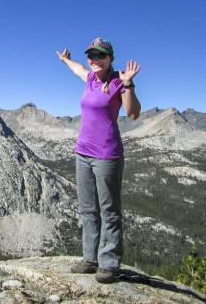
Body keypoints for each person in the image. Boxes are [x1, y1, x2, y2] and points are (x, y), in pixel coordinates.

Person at [57, 37, 141, 283]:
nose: (95, 60)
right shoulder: (90, 78)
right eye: (92, 56)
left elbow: (133, 114)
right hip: (82, 152)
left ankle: (109, 263)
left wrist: (129, 85)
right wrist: (66, 60)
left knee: (109, 211)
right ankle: (89, 259)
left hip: (107, 155)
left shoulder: (118, 80)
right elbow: (78, 70)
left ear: (110, 59)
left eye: (100, 56)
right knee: (87, 210)